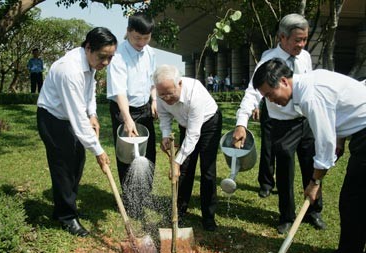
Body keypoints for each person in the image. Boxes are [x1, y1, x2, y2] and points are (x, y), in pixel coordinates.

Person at [252, 57, 366, 253]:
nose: (270, 101)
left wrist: (315, 182)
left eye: (270, 94)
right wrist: (341, 137)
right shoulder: (311, 81)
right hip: (360, 132)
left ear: (284, 82)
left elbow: (324, 142)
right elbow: (342, 106)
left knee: (353, 202)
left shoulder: (309, 96)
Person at [232, 13, 326, 234]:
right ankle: (286, 216)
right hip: (282, 126)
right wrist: (241, 123)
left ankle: (314, 211)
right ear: (282, 37)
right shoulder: (267, 60)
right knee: (285, 172)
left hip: (306, 121)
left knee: (311, 167)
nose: (302, 45)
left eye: (305, 39)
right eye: (297, 40)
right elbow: (251, 93)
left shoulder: (304, 57)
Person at [37, 27, 117, 237]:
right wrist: (99, 151)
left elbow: (88, 92)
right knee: (63, 166)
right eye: (103, 57)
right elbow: (76, 117)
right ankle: (67, 217)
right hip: (53, 118)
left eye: (110, 57)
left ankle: (64, 207)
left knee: (77, 162)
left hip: (72, 117)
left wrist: (93, 114)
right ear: (88, 48)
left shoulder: (90, 64)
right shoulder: (69, 70)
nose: (106, 63)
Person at [153, 64, 222, 231]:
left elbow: (193, 135)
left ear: (180, 84)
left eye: (170, 93)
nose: (166, 98)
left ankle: (208, 216)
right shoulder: (161, 93)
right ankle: (179, 211)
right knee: (185, 169)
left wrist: (176, 161)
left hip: (208, 123)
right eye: (162, 95)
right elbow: (163, 115)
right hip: (186, 124)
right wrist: (165, 135)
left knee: (207, 170)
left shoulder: (194, 92)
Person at [106, 12, 157, 218]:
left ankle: (144, 194)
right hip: (123, 108)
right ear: (128, 32)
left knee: (148, 153)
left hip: (144, 107)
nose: (142, 43)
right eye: (137, 38)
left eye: (146, 38)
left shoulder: (150, 53)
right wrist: (127, 119)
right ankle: (131, 201)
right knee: (128, 155)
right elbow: (119, 91)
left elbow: (152, 80)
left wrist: (154, 100)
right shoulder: (117, 56)